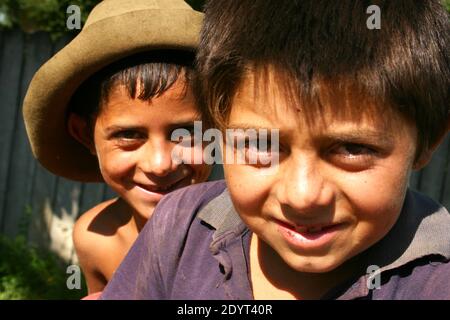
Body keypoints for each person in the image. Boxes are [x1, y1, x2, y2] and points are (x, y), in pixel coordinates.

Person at [100, 0, 450, 299]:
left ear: (428, 140)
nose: (302, 196)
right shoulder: (180, 226)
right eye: (258, 144)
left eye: (352, 148)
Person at [22, 0, 211, 294]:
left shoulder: (247, 239)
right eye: (129, 134)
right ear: (84, 134)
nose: (160, 164)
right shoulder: (96, 239)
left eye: (186, 132)